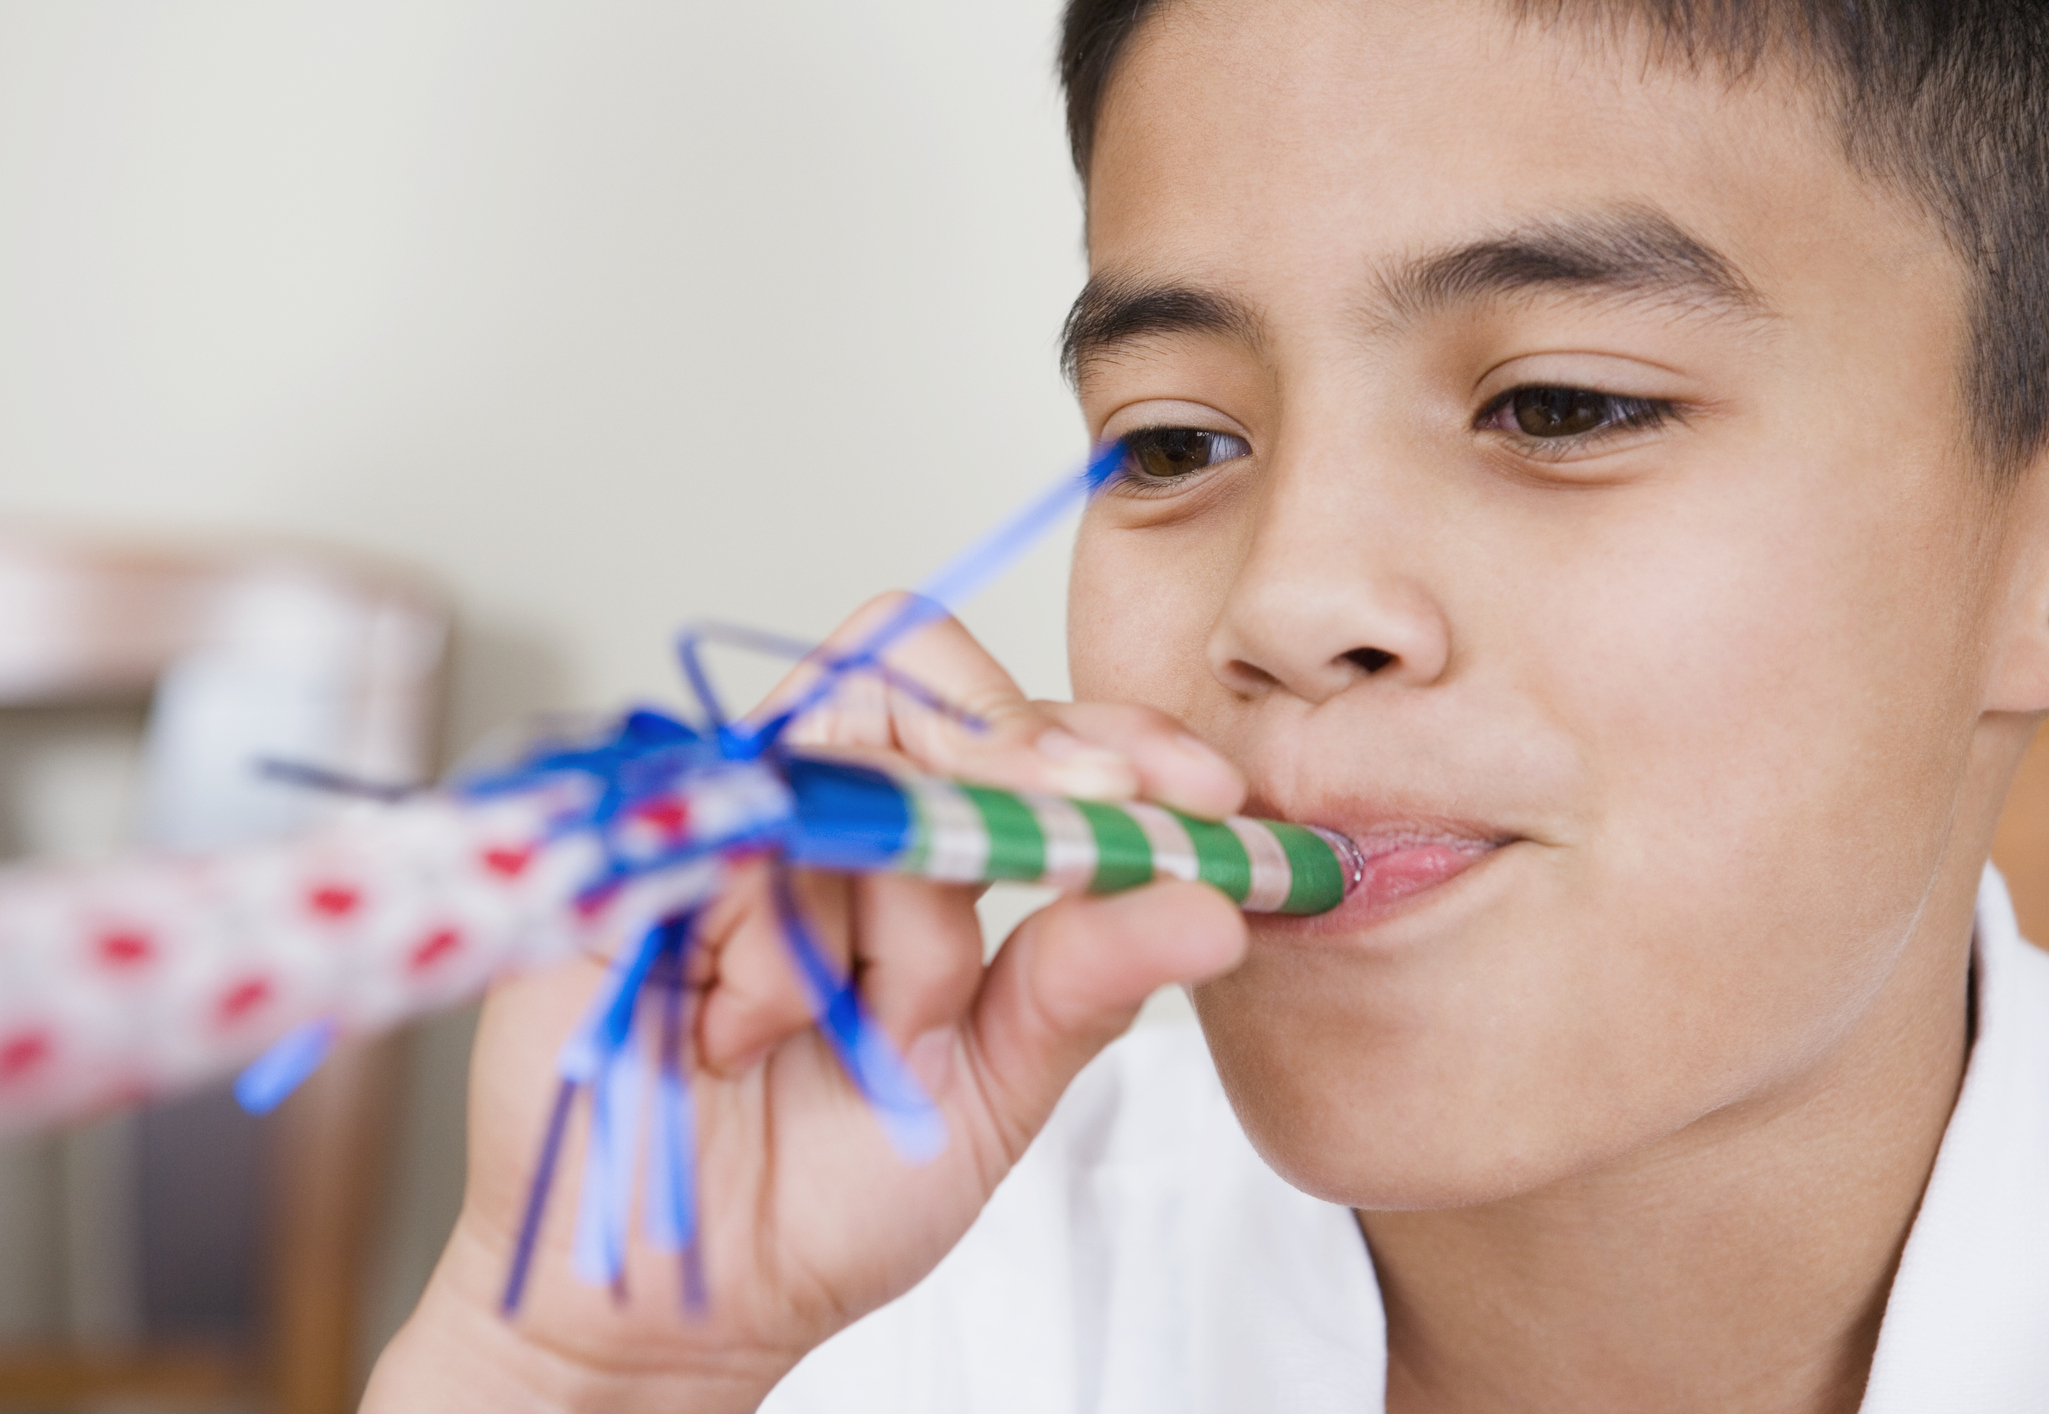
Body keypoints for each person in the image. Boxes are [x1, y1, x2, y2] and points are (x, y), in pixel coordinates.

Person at [362, 1, 2049, 1409]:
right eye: (1172, 442)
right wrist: (572, 1371)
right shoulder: (893, 1310)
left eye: (1558, 404)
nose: (1287, 602)